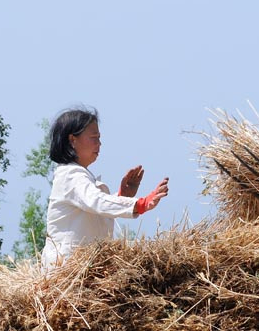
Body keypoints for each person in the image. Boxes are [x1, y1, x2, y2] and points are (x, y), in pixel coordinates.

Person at [40, 107, 169, 268]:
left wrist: (123, 195)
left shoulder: (79, 174)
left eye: (99, 138)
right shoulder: (70, 175)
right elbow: (97, 202)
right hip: (67, 272)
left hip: (84, 270)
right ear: (72, 140)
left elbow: (96, 211)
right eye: (94, 137)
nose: (99, 144)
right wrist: (140, 204)